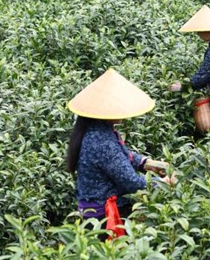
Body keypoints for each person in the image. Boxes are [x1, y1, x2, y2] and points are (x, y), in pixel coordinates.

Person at [66, 68, 175, 238]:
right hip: (102, 218)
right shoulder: (101, 141)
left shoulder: (99, 130)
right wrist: (162, 183)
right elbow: (130, 182)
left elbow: (123, 154)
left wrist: (145, 163)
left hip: (95, 210)